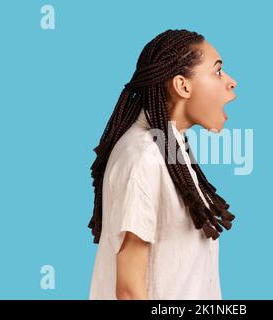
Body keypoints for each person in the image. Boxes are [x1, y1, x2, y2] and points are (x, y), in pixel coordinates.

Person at [88, 29, 238, 300]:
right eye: (217, 72)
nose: (231, 82)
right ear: (183, 86)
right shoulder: (143, 157)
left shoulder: (170, 146)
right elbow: (129, 291)